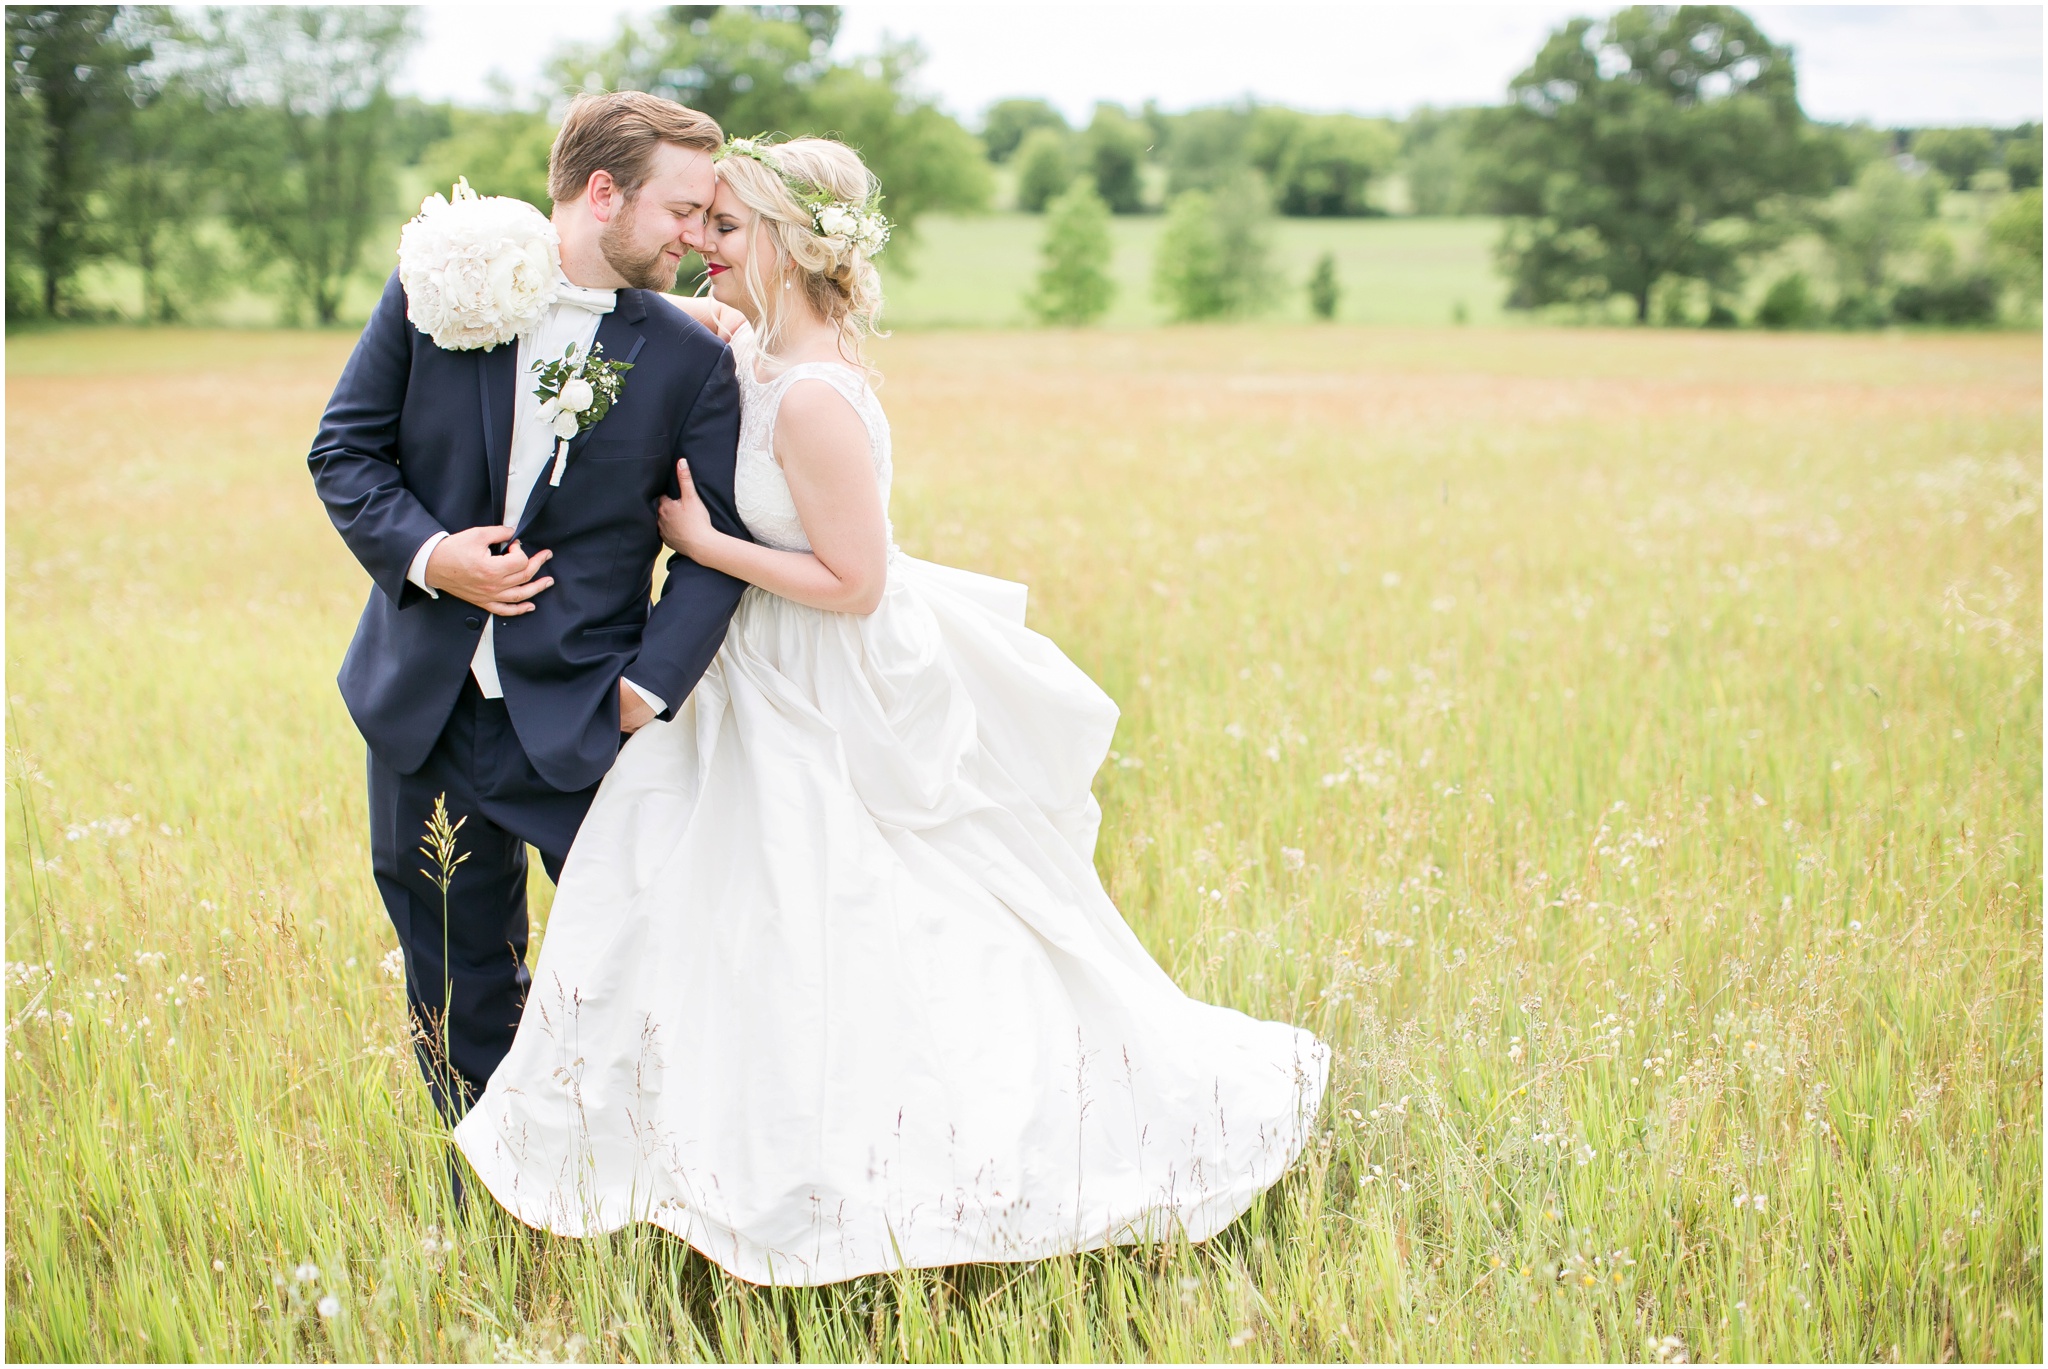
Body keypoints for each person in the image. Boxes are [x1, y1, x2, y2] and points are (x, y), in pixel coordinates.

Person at [454, 135, 1329, 1285]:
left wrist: (705, 543)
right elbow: (706, 349)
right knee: (702, 903)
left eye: (726, 229)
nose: (703, 247)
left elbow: (853, 582)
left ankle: (901, 1163)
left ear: (785, 242)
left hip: (821, 667)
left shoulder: (815, 397)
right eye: (703, 223)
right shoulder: (761, 349)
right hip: (749, 668)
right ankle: (691, 1154)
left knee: (855, 906)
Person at [307, 92, 753, 1151]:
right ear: (603, 193)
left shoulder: (690, 358)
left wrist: (647, 688)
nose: (694, 237)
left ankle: (641, 1175)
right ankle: (490, 1183)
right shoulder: (438, 288)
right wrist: (432, 555)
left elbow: (715, 542)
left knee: (635, 962)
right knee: (455, 975)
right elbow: (345, 453)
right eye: (680, 209)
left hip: (587, 717)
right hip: (422, 704)